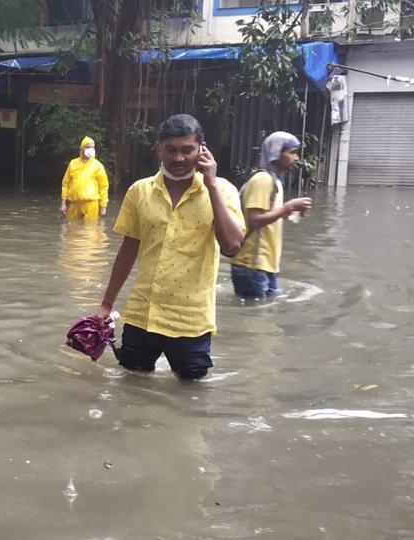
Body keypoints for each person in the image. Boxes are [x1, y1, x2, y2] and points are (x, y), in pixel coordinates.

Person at [93, 114, 245, 380]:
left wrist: (211, 184)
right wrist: (106, 304)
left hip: (191, 321)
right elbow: (128, 251)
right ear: (158, 148)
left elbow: (232, 246)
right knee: (130, 389)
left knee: (190, 400)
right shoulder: (139, 191)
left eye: (187, 150)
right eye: (171, 150)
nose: (178, 158)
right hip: (142, 315)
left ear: (202, 149)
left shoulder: (223, 192)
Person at [231, 132, 313, 299]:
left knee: (266, 316)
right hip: (252, 265)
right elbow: (253, 220)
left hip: (266, 265)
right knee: (256, 318)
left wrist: (290, 210)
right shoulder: (262, 180)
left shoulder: (275, 182)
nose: (296, 158)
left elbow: (268, 218)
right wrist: (286, 208)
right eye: (292, 152)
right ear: (276, 152)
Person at [60, 136, 109, 220]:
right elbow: (65, 183)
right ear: (81, 149)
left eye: (93, 147)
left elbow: (103, 186)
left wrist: (103, 206)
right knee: (72, 227)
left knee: (90, 230)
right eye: (88, 147)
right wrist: (63, 203)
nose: (91, 149)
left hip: (91, 203)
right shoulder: (73, 163)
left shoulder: (98, 165)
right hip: (75, 203)